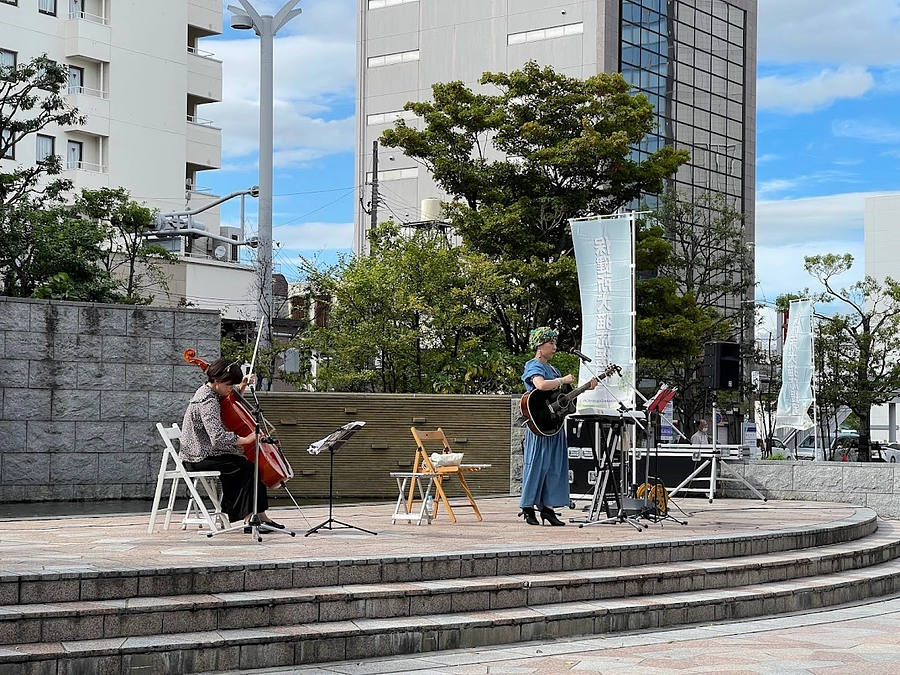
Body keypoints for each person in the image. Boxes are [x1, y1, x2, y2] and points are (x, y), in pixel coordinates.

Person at [179, 358, 285, 532]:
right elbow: (218, 437)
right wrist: (247, 439)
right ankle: (249, 518)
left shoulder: (212, 393)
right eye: (230, 385)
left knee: (250, 465)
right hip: (198, 457)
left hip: (208, 453)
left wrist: (241, 387)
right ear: (218, 381)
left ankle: (260, 515)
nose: (231, 389)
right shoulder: (207, 401)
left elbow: (229, 401)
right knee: (244, 467)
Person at [519, 327, 597, 527]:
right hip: (539, 424)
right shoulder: (533, 365)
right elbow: (541, 386)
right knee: (537, 465)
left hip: (554, 425)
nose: (554, 347)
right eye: (550, 343)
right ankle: (528, 507)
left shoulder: (554, 370)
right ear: (539, 346)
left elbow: (562, 399)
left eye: (555, 343)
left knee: (555, 467)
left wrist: (586, 386)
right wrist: (562, 380)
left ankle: (548, 508)